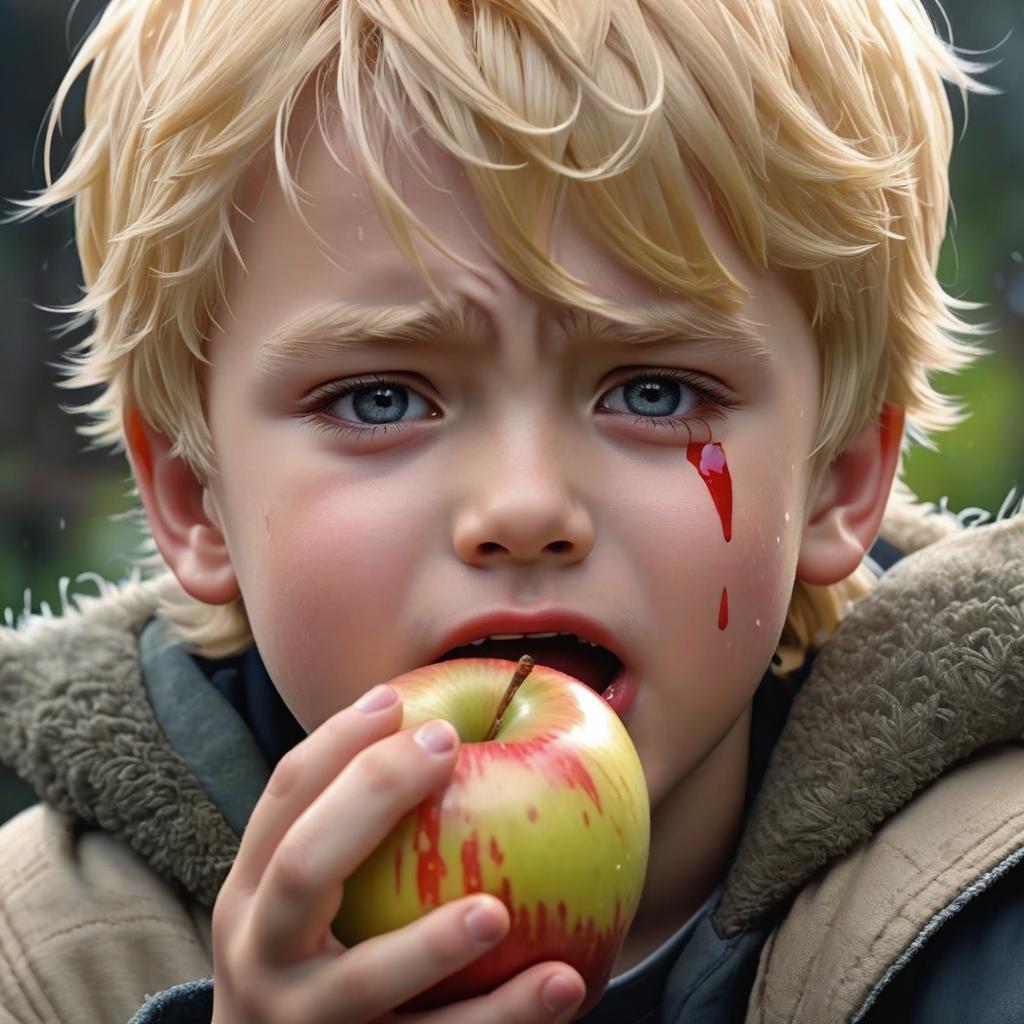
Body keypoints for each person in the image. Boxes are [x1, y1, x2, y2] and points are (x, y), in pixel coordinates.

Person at [2, 0, 1022, 1021]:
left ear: (836, 475)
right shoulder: (47, 961)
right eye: (381, 398)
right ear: (194, 499)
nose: (524, 505)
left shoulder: (986, 916)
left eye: (652, 392)